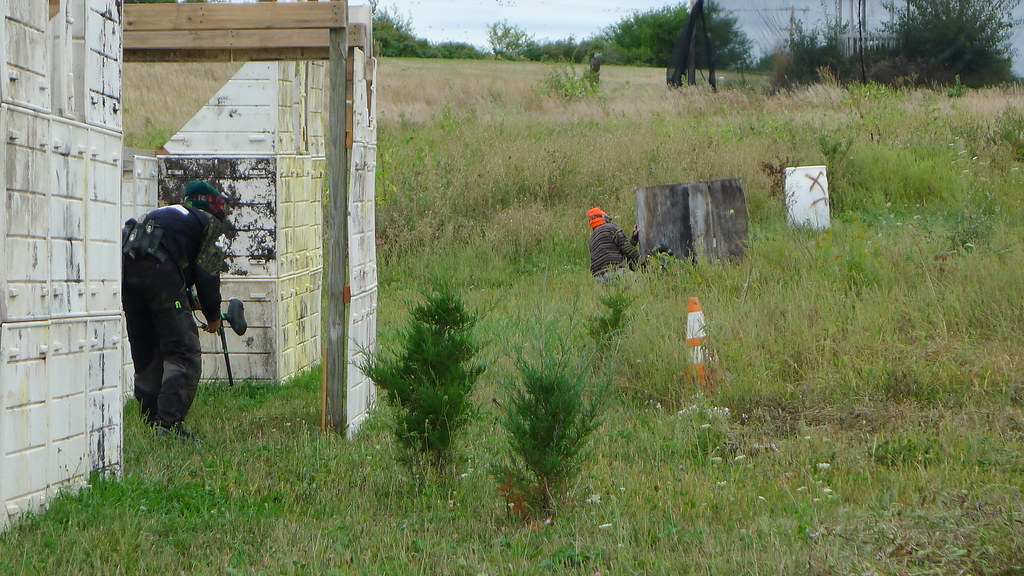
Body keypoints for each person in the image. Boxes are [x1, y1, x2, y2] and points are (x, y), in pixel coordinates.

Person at [121, 180, 229, 441]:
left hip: (128, 280)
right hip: (162, 279)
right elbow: (207, 277)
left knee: (148, 350)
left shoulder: (164, 215)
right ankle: (168, 425)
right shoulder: (207, 223)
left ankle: (150, 420)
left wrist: (185, 297)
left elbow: (167, 259)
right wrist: (213, 317)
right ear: (211, 204)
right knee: (183, 351)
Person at [587, 207, 640, 283]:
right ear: (605, 218)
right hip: (615, 272)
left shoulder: (592, 239)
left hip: (598, 279)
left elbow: (615, 251)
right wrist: (646, 265)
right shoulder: (612, 228)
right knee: (639, 285)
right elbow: (628, 251)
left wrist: (634, 239)